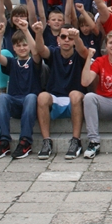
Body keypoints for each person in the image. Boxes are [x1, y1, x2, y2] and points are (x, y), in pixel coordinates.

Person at [34, 22, 89, 160]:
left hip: (75, 100)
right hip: (56, 97)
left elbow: (83, 51)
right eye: (63, 37)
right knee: (42, 97)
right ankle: (46, 141)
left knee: (74, 94)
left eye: (70, 38)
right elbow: (41, 49)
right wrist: (39, 33)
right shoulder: (54, 52)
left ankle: (76, 141)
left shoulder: (79, 54)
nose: (66, 40)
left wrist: (77, 38)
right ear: (58, 39)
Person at [0, 19, 42, 160]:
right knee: (2, 97)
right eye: (18, 45)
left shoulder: (34, 62)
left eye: (25, 45)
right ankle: (4, 141)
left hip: (30, 104)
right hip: (14, 102)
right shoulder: (12, 62)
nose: (22, 48)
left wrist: (26, 30)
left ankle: (25, 141)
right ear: (13, 47)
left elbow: (36, 52)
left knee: (31, 97)